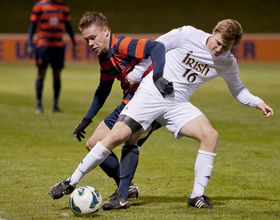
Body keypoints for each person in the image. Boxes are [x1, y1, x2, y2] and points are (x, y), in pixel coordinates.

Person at [50, 19, 273, 209]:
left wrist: (257, 102)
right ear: (213, 32)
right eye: (218, 43)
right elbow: (155, 47)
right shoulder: (188, 34)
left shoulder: (228, 63)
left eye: (225, 47)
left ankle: (196, 195)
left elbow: (238, 90)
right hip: (151, 93)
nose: (218, 49)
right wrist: (137, 74)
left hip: (178, 103)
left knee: (210, 136)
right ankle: (71, 181)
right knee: (116, 137)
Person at [48, 11, 165, 210]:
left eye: (93, 37)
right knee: (93, 143)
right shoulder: (104, 57)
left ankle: (121, 194)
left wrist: (158, 77)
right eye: (86, 40)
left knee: (129, 140)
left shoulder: (122, 45)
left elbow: (157, 46)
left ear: (106, 31)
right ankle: (126, 186)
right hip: (128, 103)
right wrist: (87, 119)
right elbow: (103, 89)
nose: (90, 43)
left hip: (149, 103)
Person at [27, 0, 76, 114]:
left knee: (57, 74)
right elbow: (32, 27)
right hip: (43, 45)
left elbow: (69, 26)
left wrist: (73, 43)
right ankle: (39, 105)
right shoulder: (39, 6)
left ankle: (55, 105)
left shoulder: (63, 7)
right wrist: (29, 44)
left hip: (58, 46)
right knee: (41, 73)